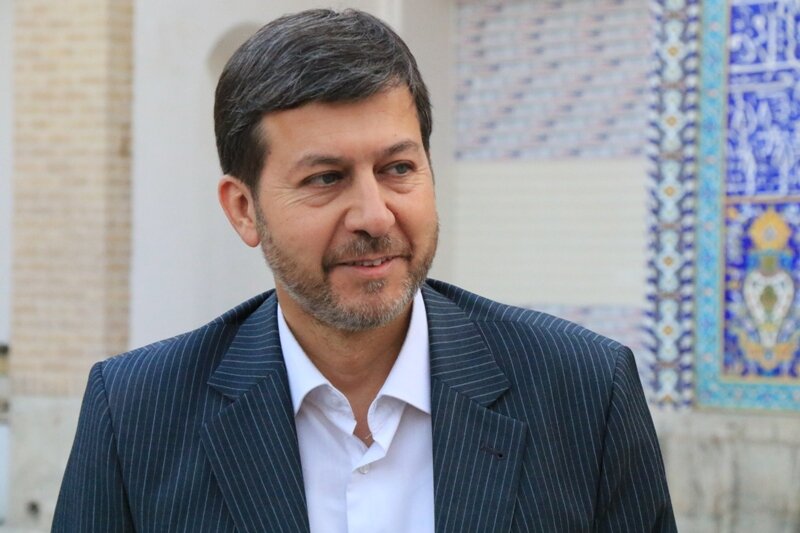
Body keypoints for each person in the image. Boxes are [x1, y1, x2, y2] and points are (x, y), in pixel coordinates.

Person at [53, 8, 676, 533]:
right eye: (326, 178)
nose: (375, 216)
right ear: (244, 209)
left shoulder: (584, 392)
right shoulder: (136, 414)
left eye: (398, 169)